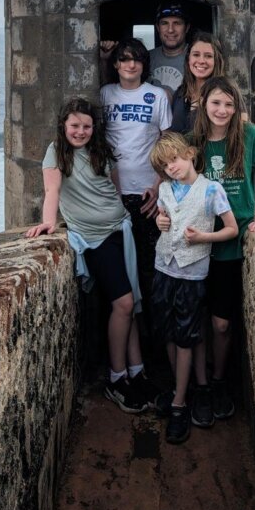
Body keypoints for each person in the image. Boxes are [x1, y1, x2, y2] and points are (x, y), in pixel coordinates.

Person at [26, 97, 158, 413]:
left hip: (120, 229)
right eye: (75, 125)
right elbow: (52, 192)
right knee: (123, 303)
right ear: (63, 126)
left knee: (132, 304)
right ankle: (116, 379)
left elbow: (111, 187)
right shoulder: (56, 153)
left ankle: (136, 372)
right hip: (94, 238)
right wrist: (48, 221)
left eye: (86, 126)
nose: (81, 131)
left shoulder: (99, 151)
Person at [189, 76, 255, 420]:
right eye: (216, 103)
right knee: (196, 320)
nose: (222, 110)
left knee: (222, 324)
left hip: (232, 243)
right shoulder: (192, 141)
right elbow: (169, 179)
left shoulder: (248, 135)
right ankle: (200, 387)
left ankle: (219, 379)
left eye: (229, 104)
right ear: (204, 105)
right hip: (195, 244)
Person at [149, 133, 238, 443]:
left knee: (186, 335)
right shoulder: (163, 189)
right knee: (169, 331)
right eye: (164, 165)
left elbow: (231, 229)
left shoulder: (211, 189)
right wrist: (160, 221)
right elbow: (164, 217)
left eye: (174, 159)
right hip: (164, 266)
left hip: (192, 271)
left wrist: (203, 238)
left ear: (189, 154)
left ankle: (178, 404)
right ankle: (180, 387)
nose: (171, 167)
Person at [100, 38, 172, 341]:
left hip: (147, 197)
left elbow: (168, 144)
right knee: (119, 272)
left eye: (137, 60)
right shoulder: (105, 93)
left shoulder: (156, 96)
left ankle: (153, 341)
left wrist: (159, 186)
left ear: (144, 65)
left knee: (149, 269)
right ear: (116, 64)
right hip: (113, 196)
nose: (131, 65)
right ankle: (130, 342)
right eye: (125, 59)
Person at [171, 31, 226, 132]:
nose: (201, 61)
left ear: (217, 60)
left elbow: (243, 134)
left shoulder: (228, 94)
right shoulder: (179, 94)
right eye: (196, 55)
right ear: (189, 59)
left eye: (208, 56)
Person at [148, 0, 191, 95]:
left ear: (187, 28)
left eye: (177, 23)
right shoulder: (145, 58)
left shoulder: (197, 58)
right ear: (158, 27)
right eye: (164, 23)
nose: (170, 30)